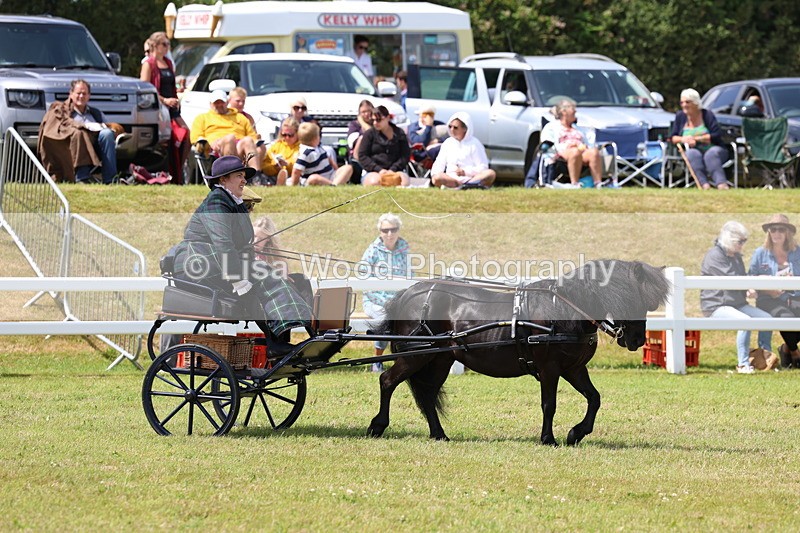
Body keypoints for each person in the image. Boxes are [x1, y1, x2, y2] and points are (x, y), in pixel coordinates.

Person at [170, 155, 312, 354]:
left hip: (214, 262)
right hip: (199, 264)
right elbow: (223, 243)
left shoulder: (233, 204)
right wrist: (237, 279)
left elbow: (242, 246)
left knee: (271, 274)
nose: (244, 180)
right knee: (263, 275)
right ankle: (279, 343)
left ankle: (287, 338)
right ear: (222, 180)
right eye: (239, 176)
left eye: (244, 176)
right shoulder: (216, 202)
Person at [700, 221, 772, 374]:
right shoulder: (715, 256)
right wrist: (748, 286)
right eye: (740, 241)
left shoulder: (736, 256)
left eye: (744, 241)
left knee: (767, 318)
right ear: (729, 239)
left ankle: (766, 357)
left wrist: (748, 289)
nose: (742, 245)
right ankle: (743, 364)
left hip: (737, 304)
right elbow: (731, 279)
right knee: (744, 322)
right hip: (717, 305)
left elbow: (741, 279)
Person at [37, 79, 118, 184]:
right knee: (79, 133)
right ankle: (81, 177)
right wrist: (84, 127)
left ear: (89, 95)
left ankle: (110, 180)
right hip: (70, 148)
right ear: (70, 94)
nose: (81, 96)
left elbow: (107, 127)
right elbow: (59, 130)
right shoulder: (63, 111)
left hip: (95, 147)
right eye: (78, 93)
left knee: (107, 134)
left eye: (84, 93)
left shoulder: (95, 113)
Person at [360, 213, 411, 371]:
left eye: (393, 229)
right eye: (385, 230)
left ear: (398, 230)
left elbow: (410, 277)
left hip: (398, 300)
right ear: (380, 231)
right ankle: (377, 360)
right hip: (375, 301)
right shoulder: (372, 252)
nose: (390, 234)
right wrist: (387, 303)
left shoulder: (404, 249)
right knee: (386, 318)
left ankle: (403, 360)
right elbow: (363, 280)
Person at [749, 214, 800, 369]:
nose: (776, 233)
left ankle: (785, 348)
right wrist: (765, 288)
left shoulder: (797, 252)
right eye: (773, 229)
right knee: (786, 317)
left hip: (794, 295)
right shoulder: (760, 253)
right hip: (769, 299)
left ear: (788, 233)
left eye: (781, 230)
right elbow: (750, 277)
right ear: (769, 232)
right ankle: (795, 353)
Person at [140, 32, 190, 184]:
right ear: (155, 45)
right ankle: (166, 173)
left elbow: (170, 85)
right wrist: (164, 100)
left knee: (186, 134)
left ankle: (178, 170)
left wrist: (175, 98)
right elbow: (145, 88)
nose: (168, 47)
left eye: (168, 44)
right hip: (158, 109)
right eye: (164, 44)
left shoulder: (168, 62)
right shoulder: (148, 64)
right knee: (170, 139)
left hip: (172, 108)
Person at [191, 90, 264, 178]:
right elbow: (195, 137)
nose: (219, 105)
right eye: (216, 103)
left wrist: (257, 141)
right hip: (216, 148)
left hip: (239, 147)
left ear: (227, 102)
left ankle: (256, 176)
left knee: (248, 140)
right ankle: (232, 176)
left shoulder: (239, 117)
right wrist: (206, 143)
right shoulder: (202, 118)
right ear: (210, 104)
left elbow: (252, 135)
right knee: (230, 138)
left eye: (221, 102)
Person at [670, 88, 730, 190]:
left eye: (687, 102)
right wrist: (684, 139)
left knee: (711, 154)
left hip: (714, 148)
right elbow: (673, 137)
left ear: (696, 103)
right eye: (682, 102)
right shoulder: (680, 116)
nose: (684, 105)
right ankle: (704, 185)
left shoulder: (707, 115)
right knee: (692, 154)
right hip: (692, 150)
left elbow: (716, 135)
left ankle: (721, 184)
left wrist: (696, 139)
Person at [539, 98, 603, 188]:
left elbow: (589, 142)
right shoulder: (552, 127)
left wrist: (584, 146)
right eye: (572, 109)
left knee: (594, 152)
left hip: (581, 152)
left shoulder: (579, 128)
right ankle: (575, 184)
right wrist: (570, 146)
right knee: (574, 151)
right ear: (564, 112)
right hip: (562, 155)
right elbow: (548, 143)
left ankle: (598, 183)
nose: (575, 111)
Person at [431, 111, 496, 189]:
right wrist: (435, 175)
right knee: (437, 177)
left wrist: (465, 172)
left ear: (465, 129)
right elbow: (439, 163)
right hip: (452, 179)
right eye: (450, 126)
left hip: (472, 179)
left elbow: (483, 167)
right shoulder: (448, 142)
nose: (452, 130)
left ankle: (468, 185)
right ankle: (460, 186)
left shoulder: (475, 143)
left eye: (455, 127)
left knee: (490, 173)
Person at [358, 105, 410, 187]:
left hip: (396, 171)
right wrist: (379, 170)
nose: (375, 123)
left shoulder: (399, 133)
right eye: (373, 120)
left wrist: (393, 169)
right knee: (375, 182)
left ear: (388, 118)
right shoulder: (369, 134)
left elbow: (405, 155)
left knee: (403, 182)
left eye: (378, 120)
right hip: (373, 171)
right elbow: (362, 156)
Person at [227, 87, 269, 184]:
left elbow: (253, 134)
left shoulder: (248, 117)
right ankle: (255, 177)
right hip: (234, 145)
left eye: (243, 101)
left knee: (261, 147)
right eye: (238, 101)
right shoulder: (227, 114)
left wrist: (257, 139)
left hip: (247, 145)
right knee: (247, 141)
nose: (241, 104)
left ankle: (253, 176)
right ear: (229, 100)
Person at [289, 122, 353, 186]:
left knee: (348, 168)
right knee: (313, 178)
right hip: (317, 179)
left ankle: (335, 184)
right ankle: (334, 185)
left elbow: (329, 160)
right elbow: (296, 171)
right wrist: (294, 185)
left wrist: (337, 170)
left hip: (330, 175)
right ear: (315, 139)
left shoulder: (319, 147)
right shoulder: (305, 153)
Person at [262, 117, 300, 186]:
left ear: (297, 133)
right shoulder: (276, 146)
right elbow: (264, 166)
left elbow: (301, 168)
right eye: (284, 135)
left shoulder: (301, 147)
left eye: (290, 135)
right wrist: (274, 167)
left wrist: (287, 165)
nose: (287, 138)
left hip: (293, 177)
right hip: (274, 176)